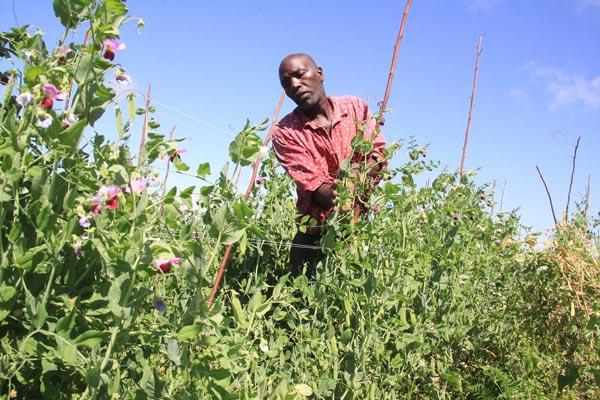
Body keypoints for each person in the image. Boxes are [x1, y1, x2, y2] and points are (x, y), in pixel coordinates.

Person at [272, 53, 387, 277]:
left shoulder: (355, 107)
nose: (295, 85)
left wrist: (354, 174)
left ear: (320, 74)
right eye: (287, 83)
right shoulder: (285, 132)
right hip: (314, 236)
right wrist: (355, 177)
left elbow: (378, 159)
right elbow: (321, 192)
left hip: (359, 232)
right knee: (305, 303)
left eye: (299, 75)